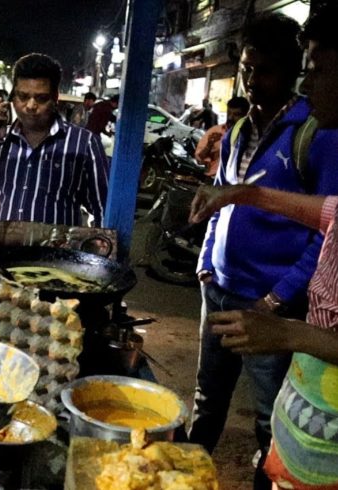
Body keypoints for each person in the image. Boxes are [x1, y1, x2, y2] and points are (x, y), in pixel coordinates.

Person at [186, 7, 338, 487]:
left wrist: (276, 305)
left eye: (263, 71)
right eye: (246, 69)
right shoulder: (236, 131)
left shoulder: (316, 136)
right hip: (223, 292)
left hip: (270, 306)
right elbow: (222, 199)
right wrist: (207, 263)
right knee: (207, 399)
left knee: (268, 416)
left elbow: (324, 233)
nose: (250, 81)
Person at [0, 53, 108, 225]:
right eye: (23, 96)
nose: (30, 106)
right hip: (2, 250)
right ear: (12, 97)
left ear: (55, 98)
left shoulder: (84, 143)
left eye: (41, 98)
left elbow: (103, 208)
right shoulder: (1, 142)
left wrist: (94, 246)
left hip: (55, 251)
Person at [194, 96, 249, 176]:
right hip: (213, 180)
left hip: (237, 184)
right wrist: (209, 145)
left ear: (245, 116)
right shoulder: (215, 131)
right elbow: (199, 158)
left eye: (236, 115)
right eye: (229, 113)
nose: (230, 117)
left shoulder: (250, 136)